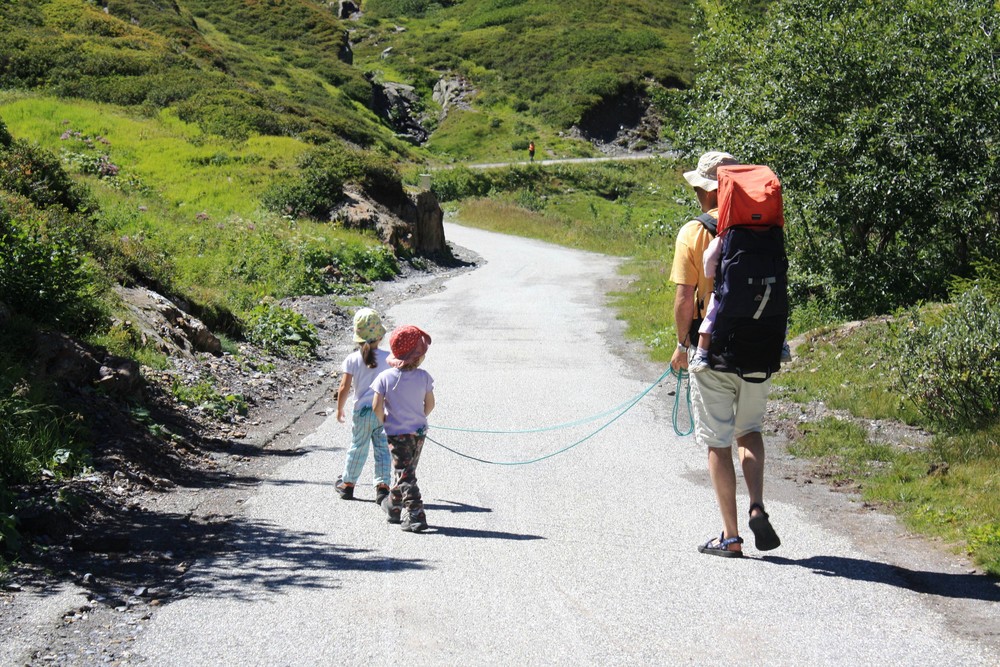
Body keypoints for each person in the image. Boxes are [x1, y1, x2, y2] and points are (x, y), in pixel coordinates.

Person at [670, 151, 782, 558]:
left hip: (713, 349)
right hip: (761, 346)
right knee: (749, 431)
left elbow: (685, 298)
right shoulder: (767, 228)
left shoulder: (693, 233)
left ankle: (731, 536)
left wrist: (683, 345)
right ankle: (757, 504)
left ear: (706, 190)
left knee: (718, 441)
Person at [372, 325, 435, 533]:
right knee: (407, 471)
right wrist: (419, 417)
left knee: (405, 473)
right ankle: (393, 505)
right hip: (418, 432)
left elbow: (376, 406)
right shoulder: (424, 377)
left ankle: (416, 514)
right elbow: (430, 404)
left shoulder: (384, 378)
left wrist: (384, 419)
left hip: (396, 433)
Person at [335, 308, 392, 505]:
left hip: (362, 412)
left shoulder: (352, 359)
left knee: (358, 447)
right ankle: (383, 487)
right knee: (383, 449)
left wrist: (339, 408)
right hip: (383, 411)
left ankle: (348, 484)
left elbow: (344, 387)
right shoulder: (388, 358)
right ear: (380, 337)